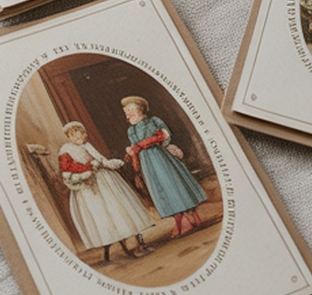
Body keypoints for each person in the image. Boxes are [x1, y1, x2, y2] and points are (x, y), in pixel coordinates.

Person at [57, 122, 154, 264]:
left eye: (80, 133)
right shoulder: (66, 149)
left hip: (104, 180)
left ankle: (138, 243)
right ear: (69, 137)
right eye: (73, 134)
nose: (78, 136)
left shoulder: (88, 146)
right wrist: (88, 167)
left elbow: (100, 159)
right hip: (88, 186)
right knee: (104, 212)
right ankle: (127, 245)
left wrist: (108, 163)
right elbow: (67, 167)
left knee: (119, 207)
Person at [122, 96, 206, 238]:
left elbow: (164, 136)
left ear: (140, 109)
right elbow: (135, 149)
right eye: (126, 112)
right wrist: (136, 164)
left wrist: (148, 143)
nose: (128, 114)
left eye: (130, 110)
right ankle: (180, 220)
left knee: (173, 184)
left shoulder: (153, 121)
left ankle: (191, 216)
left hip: (160, 157)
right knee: (161, 189)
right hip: (147, 163)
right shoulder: (131, 130)